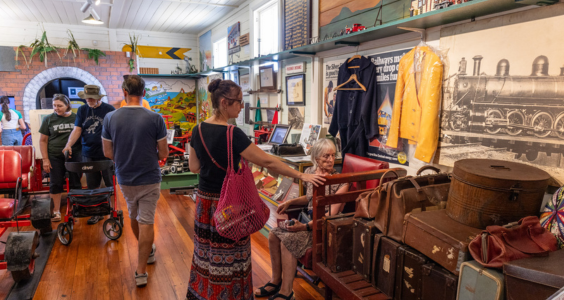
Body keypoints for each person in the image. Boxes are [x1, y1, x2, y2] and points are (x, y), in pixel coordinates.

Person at [186, 79, 325, 300]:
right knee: (231, 255)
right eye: (239, 102)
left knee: (206, 253)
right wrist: (301, 174)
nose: (242, 107)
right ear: (224, 103)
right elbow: (268, 162)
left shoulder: (198, 130)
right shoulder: (233, 133)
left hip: (205, 204)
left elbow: (194, 167)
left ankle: (205, 293)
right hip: (230, 204)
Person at [254, 139, 348, 300]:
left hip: (323, 229)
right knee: (273, 234)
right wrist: (290, 202)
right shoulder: (311, 173)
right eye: (326, 156)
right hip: (307, 222)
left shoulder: (341, 182)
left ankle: (287, 292)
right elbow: (309, 198)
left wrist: (304, 227)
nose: (331, 160)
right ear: (316, 158)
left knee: (288, 240)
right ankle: (275, 280)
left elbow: (329, 216)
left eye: (333, 155)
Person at [102, 75, 168, 287]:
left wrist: (125, 158)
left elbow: (107, 152)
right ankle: (141, 269)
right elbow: (163, 153)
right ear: (144, 93)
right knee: (146, 219)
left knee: (133, 213)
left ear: (124, 92)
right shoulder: (156, 118)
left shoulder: (110, 118)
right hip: (149, 175)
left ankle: (146, 251)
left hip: (125, 176)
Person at [63, 85, 116, 225]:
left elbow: (116, 131)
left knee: (110, 183)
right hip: (88, 152)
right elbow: (77, 130)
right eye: (86, 98)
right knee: (92, 185)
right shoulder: (82, 109)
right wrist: (68, 144)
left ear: (99, 97)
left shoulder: (109, 110)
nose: (89, 100)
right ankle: (97, 211)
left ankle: (112, 210)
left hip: (106, 152)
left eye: (92, 98)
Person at [39, 94, 82, 222]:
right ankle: (56, 211)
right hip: (55, 156)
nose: (56, 108)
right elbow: (43, 141)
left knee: (75, 182)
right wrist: (45, 159)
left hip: (74, 155)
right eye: (54, 106)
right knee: (55, 183)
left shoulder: (76, 118)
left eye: (59, 106)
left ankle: (77, 208)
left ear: (68, 105)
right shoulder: (48, 119)